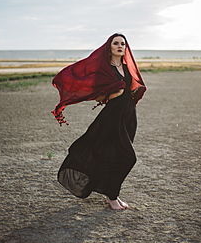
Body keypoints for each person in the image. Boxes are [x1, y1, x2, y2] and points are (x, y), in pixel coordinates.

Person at [51, 33, 146, 210]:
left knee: (116, 156)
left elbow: (130, 87)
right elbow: (97, 96)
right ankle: (112, 196)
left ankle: (113, 195)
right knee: (128, 157)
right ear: (109, 47)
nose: (119, 46)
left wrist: (131, 93)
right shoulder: (105, 69)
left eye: (122, 44)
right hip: (112, 118)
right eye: (115, 43)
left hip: (128, 116)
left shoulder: (126, 68)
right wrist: (113, 94)